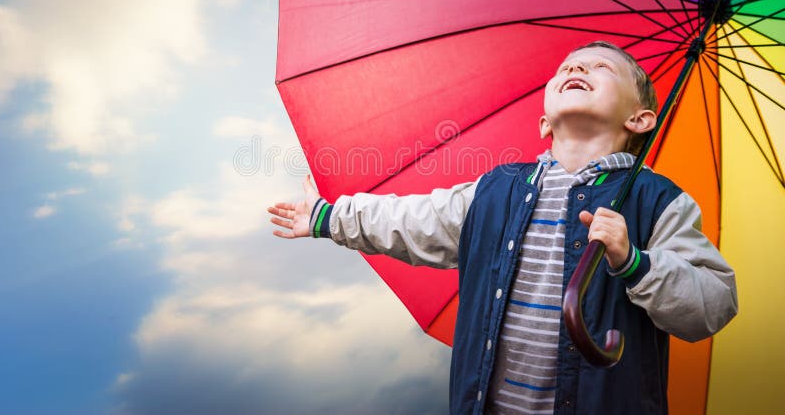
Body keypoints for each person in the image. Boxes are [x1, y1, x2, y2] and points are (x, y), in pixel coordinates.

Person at [267, 41, 737, 414]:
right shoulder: (495, 191)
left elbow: (712, 302)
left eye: (600, 69)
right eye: (567, 69)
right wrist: (328, 217)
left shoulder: (658, 202)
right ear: (542, 122)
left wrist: (635, 262)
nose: (576, 71)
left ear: (640, 118)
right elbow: (411, 220)